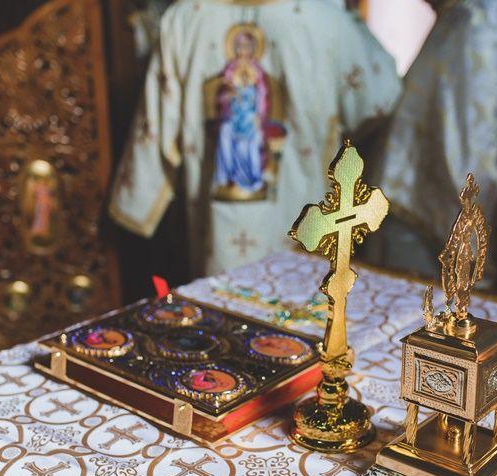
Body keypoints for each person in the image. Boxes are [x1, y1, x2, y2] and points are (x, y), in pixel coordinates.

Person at [110, 0, 400, 276]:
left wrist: (136, 204)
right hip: (306, 228)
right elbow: (379, 99)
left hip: (217, 244)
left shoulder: (186, 18)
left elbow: (155, 135)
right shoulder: (327, 18)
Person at [373, 0, 497, 283]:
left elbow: (479, 156)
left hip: (432, 228)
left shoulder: (479, 25)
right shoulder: (465, 15)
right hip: (417, 212)